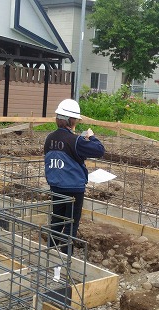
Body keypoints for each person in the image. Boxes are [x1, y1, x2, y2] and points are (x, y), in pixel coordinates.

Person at [44, 98, 105, 254]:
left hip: (55, 186)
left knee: (56, 219)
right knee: (71, 223)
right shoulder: (76, 140)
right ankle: (65, 258)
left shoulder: (49, 138)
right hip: (74, 189)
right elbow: (99, 150)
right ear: (71, 120)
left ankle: (50, 253)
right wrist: (91, 136)